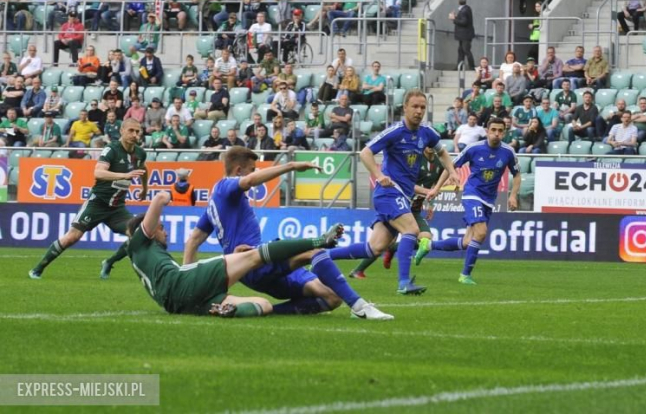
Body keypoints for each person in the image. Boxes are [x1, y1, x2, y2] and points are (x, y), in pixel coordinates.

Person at [184, 147, 393, 320]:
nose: (255, 173)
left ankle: (266, 310)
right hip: (254, 264)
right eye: (252, 169)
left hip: (255, 267)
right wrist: (291, 166)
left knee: (332, 298)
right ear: (238, 171)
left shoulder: (215, 201)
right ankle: (360, 307)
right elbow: (248, 182)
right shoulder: (225, 186)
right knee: (313, 251)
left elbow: (193, 240)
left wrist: (186, 284)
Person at [327, 90, 459, 295]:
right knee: (411, 230)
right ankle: (404, 283)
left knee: (374, 248)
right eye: (414, 106)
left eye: (422, 107)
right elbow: (365, 152)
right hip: (388, 193)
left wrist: (452, 171)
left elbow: (442, 152)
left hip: (402, 197)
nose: (419, 111)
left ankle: (320, 256)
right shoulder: (395, 132)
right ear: (405, 108)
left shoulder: (427, 133)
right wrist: (378, 175)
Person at [126, 192, 337, 318]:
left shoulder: (144, 256)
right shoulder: (138, 242)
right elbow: (157, 201)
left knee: (264, 305)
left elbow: (188, 272)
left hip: (180, 306)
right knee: (254, 256)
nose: (165, 231)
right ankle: (319, 240)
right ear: (150, 231)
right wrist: (165, 196)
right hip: (182, 284)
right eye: (161, 228)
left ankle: (225, 310)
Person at [29, 119, 148, 280]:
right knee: (72, 237)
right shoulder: (111, 149)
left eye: (138, 131)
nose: (135, 134)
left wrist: (144, 188)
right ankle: (38, 269)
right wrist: (124, 175)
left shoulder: (140, 153)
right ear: (122, 131)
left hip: (117, 209)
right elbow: (98, 172)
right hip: (97, 203)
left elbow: (143, 168)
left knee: (139, 234)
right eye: (131, 130)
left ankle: (109, 262)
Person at [415, 118, 520, 284]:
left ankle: (428, 246)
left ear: (504, 132)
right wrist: (436, 189)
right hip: (472, 194)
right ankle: (465, 275)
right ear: (487, 131)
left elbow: (517, 174)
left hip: (489, 199)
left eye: (500, 131)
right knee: (481, 232)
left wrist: (513, 195)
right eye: (493, 130)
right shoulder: (474, 148)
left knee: (466, 242)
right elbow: (451, 167)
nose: (496, 134)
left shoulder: (508, 152)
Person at [349, 145, 444, 279]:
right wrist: (426, 192)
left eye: (432, 144)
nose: (429, 147)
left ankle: (393, 249)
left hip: (415, 209)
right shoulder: (416, 160)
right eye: (427, 144)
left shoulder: (439, 164)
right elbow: (407, 184)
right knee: (379, 245)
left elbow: (433, 186)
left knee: (426, 239)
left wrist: (431, 205)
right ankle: (358, 270)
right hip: (398, 204)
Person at [450, 0, 475, 70]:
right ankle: (459, 66)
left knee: (466, 50)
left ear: (459, 2)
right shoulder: (466, 8)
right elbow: (463, 19)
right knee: (461, 50)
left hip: (465, 35)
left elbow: (464, 22)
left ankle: (472, 66)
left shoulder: (464, 10)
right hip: (463, 35)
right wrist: (456, 17)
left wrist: (454, 19)